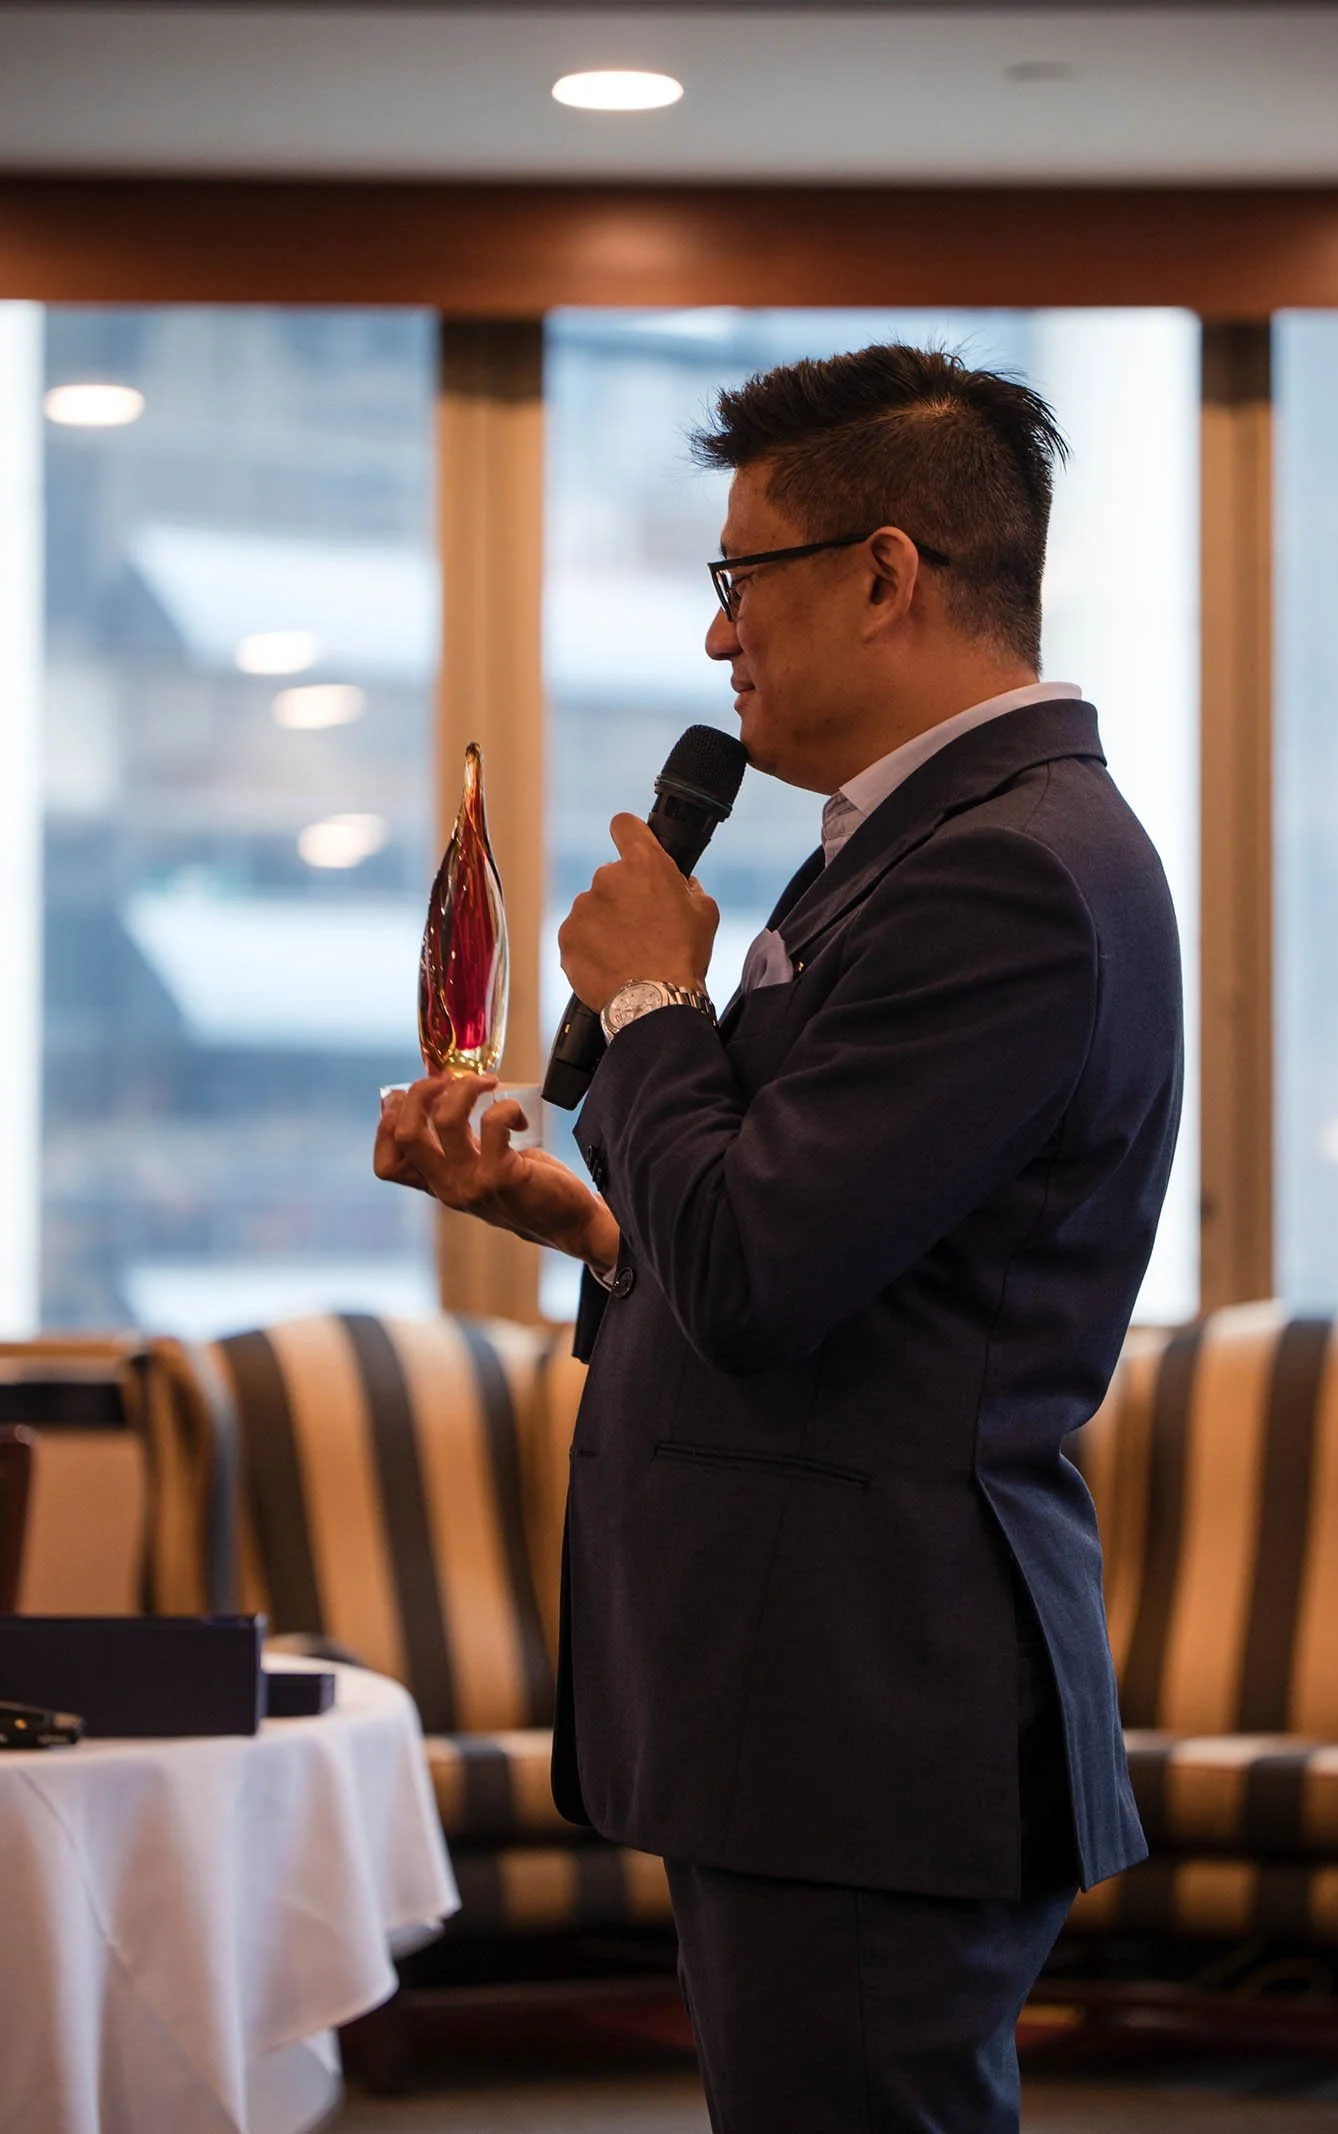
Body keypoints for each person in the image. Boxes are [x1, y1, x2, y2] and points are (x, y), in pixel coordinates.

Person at [375, 344, 1183, 2133]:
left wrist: (652, 992)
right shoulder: (902, 849)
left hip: (868, 1711)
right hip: (819, 1711)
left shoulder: (1008, 871)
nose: (719, 637)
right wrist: (578, 1217)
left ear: (885, 573)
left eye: (741, 579)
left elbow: (758, 1270)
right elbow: (835, 1256)